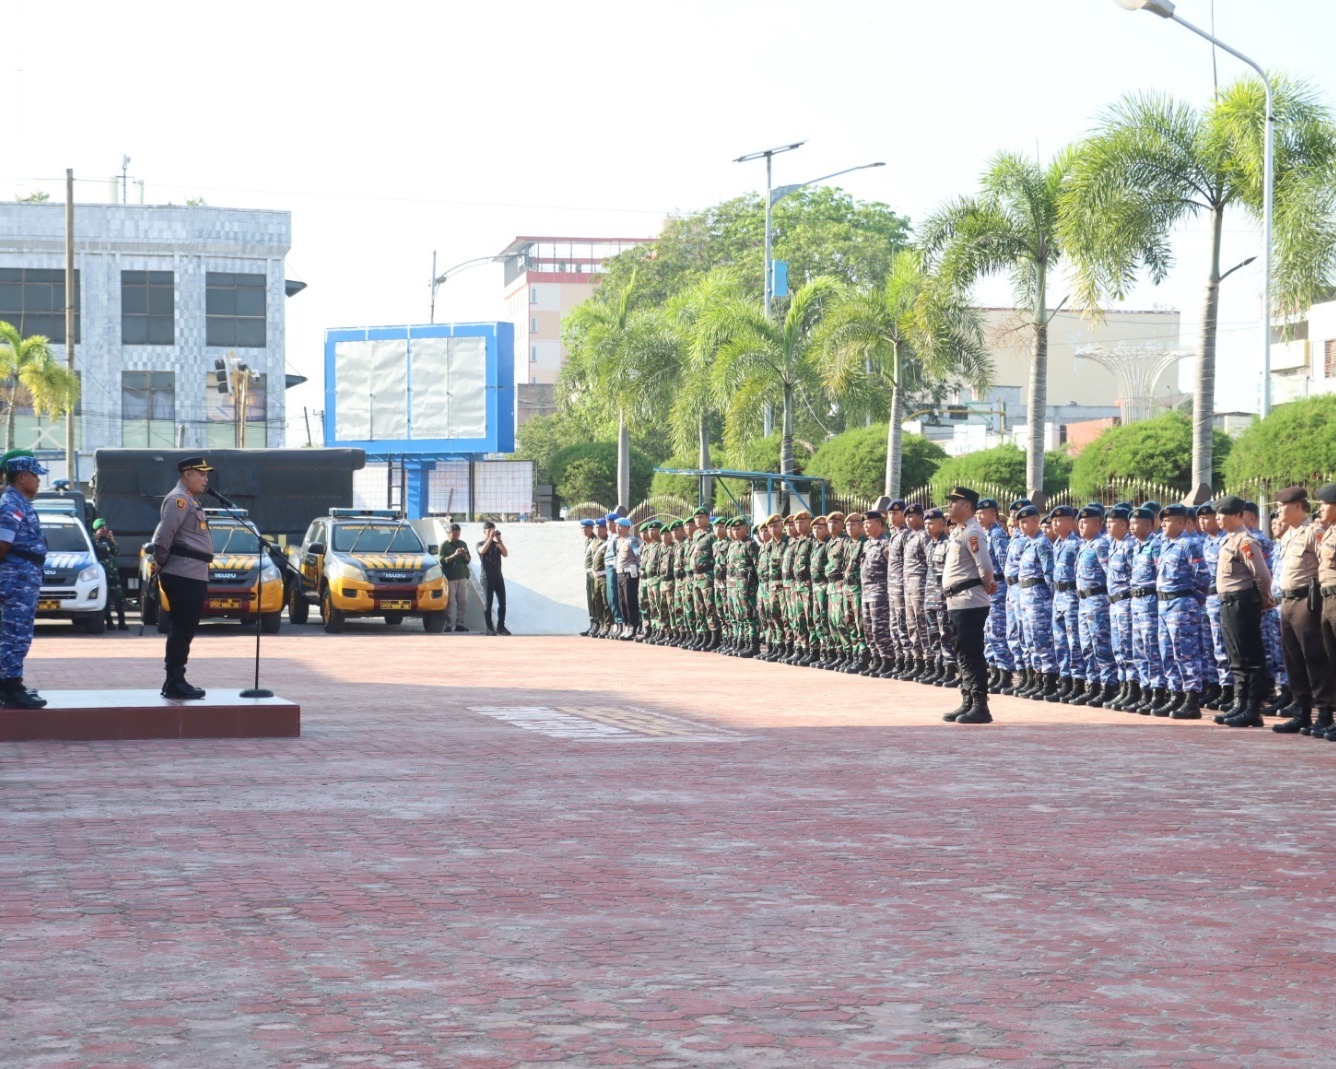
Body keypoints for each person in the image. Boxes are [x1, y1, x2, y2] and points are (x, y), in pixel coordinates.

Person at [150, 456, 215, 699]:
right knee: (182, 628)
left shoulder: (190, 501)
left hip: (193, 572)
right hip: (183, 572)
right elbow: (164, 536)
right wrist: (162, 560)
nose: (206, 478)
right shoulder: (178, 500)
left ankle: (175, 679)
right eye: (201, 473)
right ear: (187, 474)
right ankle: (174, 680)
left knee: (186, 628)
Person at [1210, 495, 1276, 730]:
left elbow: (1262, 575)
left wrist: (1263, 600)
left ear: (1237, 515)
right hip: (1228, 603)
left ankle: (1253, 709)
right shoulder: (1227, 540)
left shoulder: (1245, 542)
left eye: (1222, 514)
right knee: (1236, 658)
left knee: (1250, 658)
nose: (1218, 518)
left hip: (1242, 602)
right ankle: (1240, 704)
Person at [1273, 486, 1333, 730]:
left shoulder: (1314, 532)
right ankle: (1302, 712)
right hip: (1286, 601)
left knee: (1314, 658)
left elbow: (1325, 567)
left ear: (1297, 506)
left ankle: (1325, 713)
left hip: (1306, 602)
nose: (1278, 512)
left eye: (1281, 506)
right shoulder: (1289, 534)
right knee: (1293, 660)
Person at [940, 486, 997, 724]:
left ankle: (980, 706)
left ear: (966, 506)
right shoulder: (958, 532)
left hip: (969, 602)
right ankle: (968, 701)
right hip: (957, 601)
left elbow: (985, 567)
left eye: (954, 501)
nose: (950, 505)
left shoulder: (973, 532)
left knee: (972, 653)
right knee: (962, 653)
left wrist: (986, 584)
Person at [0, 451, 50, 709]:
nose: (38, 481)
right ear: (21, 477)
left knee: (16, 632)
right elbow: (2, 545)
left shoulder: (19, 502)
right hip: (16, 578)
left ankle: (10, 683)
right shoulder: (10, 505)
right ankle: (10, 687)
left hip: (23, 576)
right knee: (16, 634)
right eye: (34, 475)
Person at [93, 518, 128, 631]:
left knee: (119, 598)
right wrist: (96, 538)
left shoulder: (108, 540)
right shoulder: (93, 541)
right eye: (101, 528)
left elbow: (116, 552)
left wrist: (112, 540)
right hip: (102, 575)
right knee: (106, 600)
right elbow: (93, 553)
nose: (104, 530)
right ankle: (109, 622)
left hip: (113, 574)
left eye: (105, 528)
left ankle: (122, 622)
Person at [477, 521, 510, 635]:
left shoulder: (497, 544)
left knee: (502, 602)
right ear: (484, 532)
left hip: (498, 577)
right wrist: (489, 539)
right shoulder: (480, 543)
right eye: (489, 531)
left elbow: (505, 554)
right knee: (488, 603)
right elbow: (482, 551)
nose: (492, 532)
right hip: (486, 577)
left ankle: (501, 626)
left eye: (493, 530)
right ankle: (489, 627)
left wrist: (499, 540)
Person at [439, 523, 472, 633]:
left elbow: (468, 560)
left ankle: (460, 624)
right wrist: (454, 555)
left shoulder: (462, 543)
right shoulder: (444, 545)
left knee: (462, 601)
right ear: (449, 533)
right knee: (450, 602)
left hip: (462, 577)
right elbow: (442, 561)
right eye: (454, 535)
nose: (456, 537)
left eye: (458, 534)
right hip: (450, 578)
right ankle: (448, 624)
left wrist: (464, 555)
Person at [613, 516, 641, 639]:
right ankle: (626, 625)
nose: (618, 529)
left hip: (629, 575)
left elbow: (638, 553)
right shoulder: (618, 541)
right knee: (622, 602)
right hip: (619, 573)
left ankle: (633, 627)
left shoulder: (632, 541)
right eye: (617, 526)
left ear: (627, 528)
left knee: (630, 602)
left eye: (621, 527)